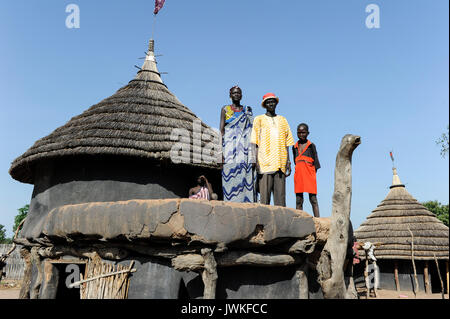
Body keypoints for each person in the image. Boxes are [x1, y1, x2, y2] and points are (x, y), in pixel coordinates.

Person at [250, 93, 295, 207]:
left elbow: (288, 141)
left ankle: (281, 224)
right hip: (265, 162)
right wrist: (255, 160)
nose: (271, 103)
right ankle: (265, 224)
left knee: (280, 200)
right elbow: (254, 141)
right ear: (264, 105)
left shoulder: (283, 120)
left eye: (273, 101)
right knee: (265, 200)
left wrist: (288, 161)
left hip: (280, 163)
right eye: (268, 102)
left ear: (276, 103)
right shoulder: (259, 119)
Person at [220, 86, 257, 202]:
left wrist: (253, 153)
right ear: (230, 95)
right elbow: (222, 130)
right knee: (230, 174)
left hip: (245, 148)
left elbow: (252, 131)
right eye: (234, 93)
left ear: (241, 95)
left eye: (239, 93)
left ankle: (246, 204)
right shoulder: (225, 109)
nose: (236, 95)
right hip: (229, 148)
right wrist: (220, 151)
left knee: (246, 174)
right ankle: (232, 204)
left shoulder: (247, 110)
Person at [292, 123, 321, 217]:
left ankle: (318, 220)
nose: (301, 135)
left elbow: (316, 163)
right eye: (299, 133)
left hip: (309, 175)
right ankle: (299, 220)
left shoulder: (311, 146)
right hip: (299, 176)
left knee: (313, 199)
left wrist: (310, 173)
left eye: (303, 132)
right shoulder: (294, 147)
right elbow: (295, 161)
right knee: (299, 200)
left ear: (308, 133)